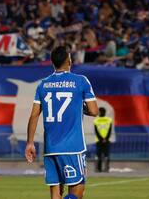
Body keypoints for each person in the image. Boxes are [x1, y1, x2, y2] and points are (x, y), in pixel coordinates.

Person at [25, 47, 99, 199]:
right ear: (69, 61)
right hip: (72, 146)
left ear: (52, 62)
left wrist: (30, 142)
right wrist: (78, 105)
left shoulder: (43, 84)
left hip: (50, 147)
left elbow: (34, 115)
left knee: (55, 193)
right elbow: (94, 111)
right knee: (77, 192)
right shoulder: (81, 81)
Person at [93, 107, 113, 172]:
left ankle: (101, 168)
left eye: (99, 111)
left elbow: (97, 131)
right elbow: (109, 130)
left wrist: (102, 139)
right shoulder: (109, 120)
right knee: (104, 155)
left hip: (99, 140)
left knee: (101, 155)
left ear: (102, 112)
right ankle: (101, 168)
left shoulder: (96, 120)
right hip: (105, 140)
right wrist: (105, 139)